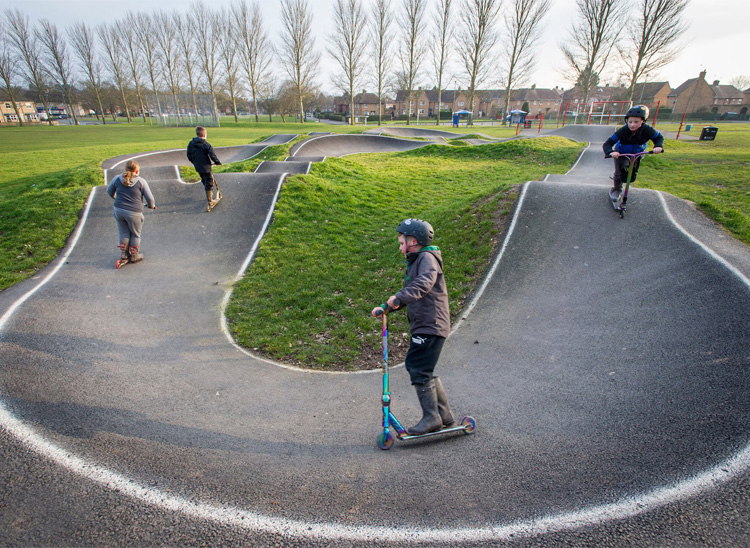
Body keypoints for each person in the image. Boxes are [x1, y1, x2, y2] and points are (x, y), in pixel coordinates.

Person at [371, 218, 454, 436]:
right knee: (424, 368)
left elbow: (423, 284)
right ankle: (444, 415)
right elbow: (411, 294)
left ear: (413, 241)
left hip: (431, 324)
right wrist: (387, 306)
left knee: (416, 366)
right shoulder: (419, 260)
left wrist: (398, 297)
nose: (400, 248)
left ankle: (432, 417)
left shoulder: (427, 258)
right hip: (428, 324)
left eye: (401, 243)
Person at [602, 105, 664, 201]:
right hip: (621, 153)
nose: (632, 125)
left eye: (636, 122)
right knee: (619, 173)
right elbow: (607, 143)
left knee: (631, 177)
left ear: (643, 121)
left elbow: (659, 138)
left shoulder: (648, 130)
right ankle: (616, 189)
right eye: (630, 122)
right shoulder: (623, 130)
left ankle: (623, 180)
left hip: (637, 153)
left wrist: (658, 146)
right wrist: (610, 152)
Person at [106, 159, 156, 264]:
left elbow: (109, 192)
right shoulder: (141, 182)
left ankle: (124, 255)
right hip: (134, 212)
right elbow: (150, 199)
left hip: (118, 210)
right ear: (137, 171)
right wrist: (151, 206)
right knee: (135, 234)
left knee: (123, 232)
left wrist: (117, 198)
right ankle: (134, 255)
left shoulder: (117, 179)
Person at [186, 126, 222, 209]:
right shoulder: (206, 144)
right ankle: (210, 201)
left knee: (204, 179)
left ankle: (207, 192)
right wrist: (217, 162)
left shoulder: (191, 144)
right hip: (206, 166)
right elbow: (212, 155)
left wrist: (194, 162)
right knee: (209, 181)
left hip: (197, 166)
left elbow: (189, 155)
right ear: (205, 135)